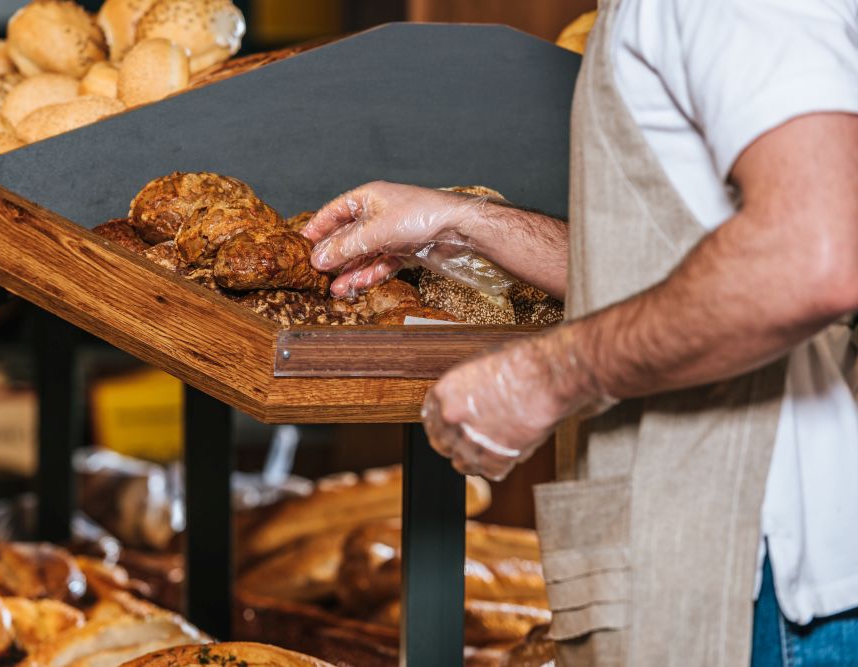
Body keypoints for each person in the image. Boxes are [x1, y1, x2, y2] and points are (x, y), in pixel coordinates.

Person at [300, 1, 858, 665]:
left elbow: (809, 257)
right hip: (718, 561)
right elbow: (679, 259)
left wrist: (545, 376)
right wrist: (462, 224)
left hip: (764, 588)